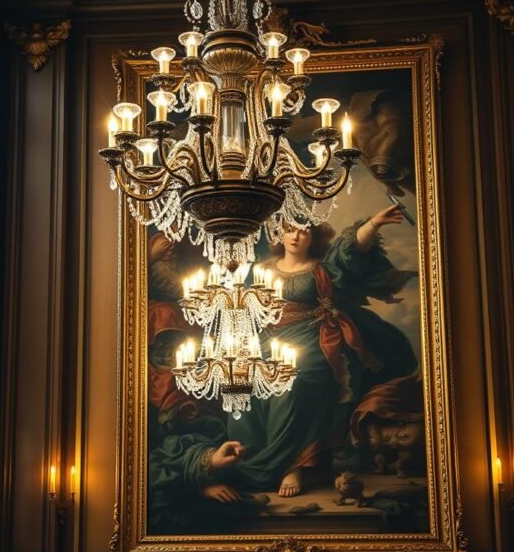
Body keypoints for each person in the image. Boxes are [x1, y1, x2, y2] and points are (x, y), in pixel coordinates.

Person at [148, 206, 417, 531]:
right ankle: (252, 462)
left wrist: (372, 222)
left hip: (316, 343)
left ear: (313, 237)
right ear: (280, 235)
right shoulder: (260, 269)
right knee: (241, 386)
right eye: (289, 229)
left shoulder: (322, 269)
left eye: (303, 230)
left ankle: (294, 464)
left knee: (295, 381)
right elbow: (237, 308)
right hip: (266, 341)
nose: (295, 234)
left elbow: (350, 252)